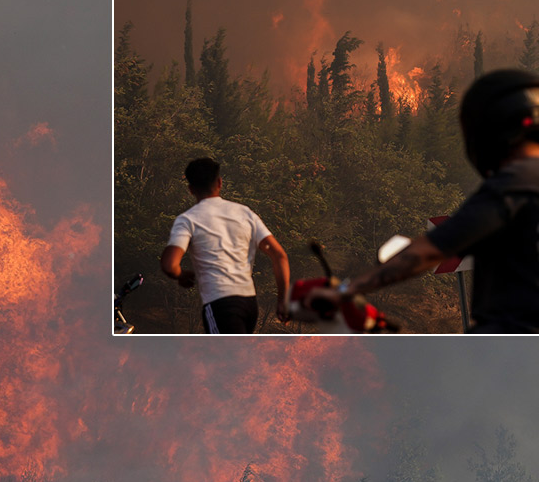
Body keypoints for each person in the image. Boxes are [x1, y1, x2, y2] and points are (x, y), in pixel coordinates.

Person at [307, 69, 539, 333]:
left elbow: (431, 250)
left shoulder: (516, 181)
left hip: (512, 343)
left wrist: (345, 291)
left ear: (489, 125)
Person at [161, 158, 291, 333]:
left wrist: (182, 275)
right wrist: (283, 300)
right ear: (220, 183)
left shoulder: (188, 220)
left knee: (227, 358)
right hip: (249, 304)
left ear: (191, 189)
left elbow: (169, 265)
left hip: (220, 305)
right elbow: (279, 255)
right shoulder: (245, 213)